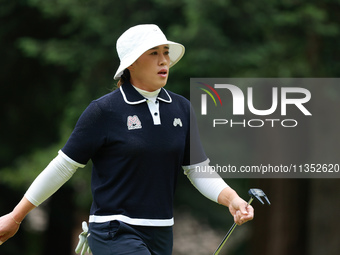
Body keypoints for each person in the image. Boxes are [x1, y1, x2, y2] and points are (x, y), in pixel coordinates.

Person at [0, 24, 254, 254]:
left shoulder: (181, 109)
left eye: (165, 52)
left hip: (161, 234)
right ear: (131, 63)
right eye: (153, 53)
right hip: (114, 231)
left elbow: (197, 169)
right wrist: (16, 216)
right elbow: (63, 166)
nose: (163, 60)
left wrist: (232, 199)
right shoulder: (104, 111)